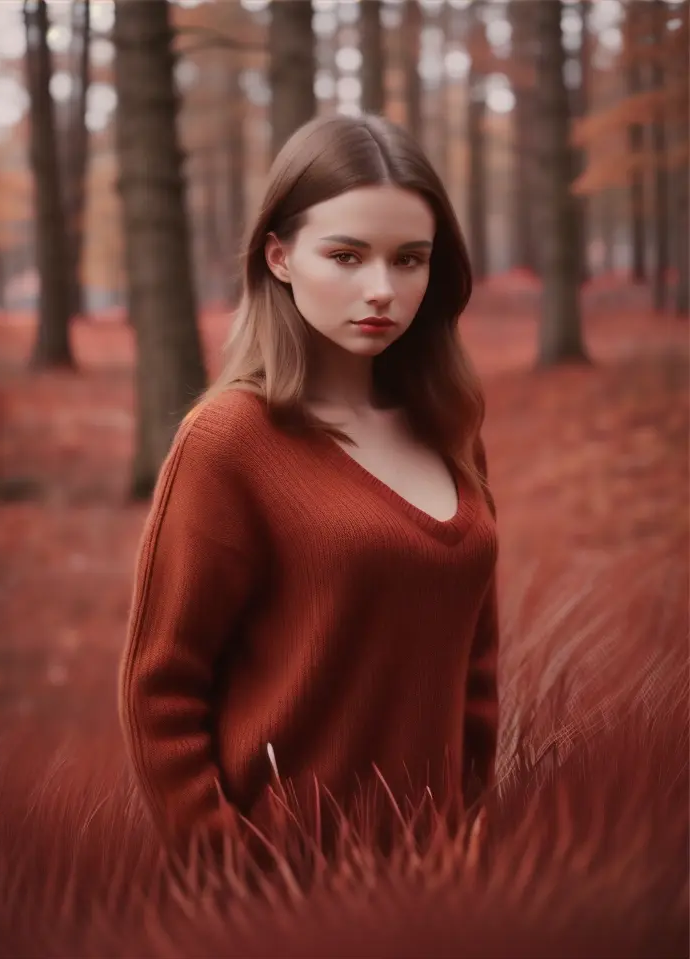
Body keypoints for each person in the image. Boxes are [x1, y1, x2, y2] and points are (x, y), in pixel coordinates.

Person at [118, 113, 499, 865]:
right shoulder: (230, 441)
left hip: (440, 891)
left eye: (410, 259)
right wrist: (234, 878)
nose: (382, 289)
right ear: (280, 256)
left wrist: (475, 828)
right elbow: (160, 691)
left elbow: (476, 664)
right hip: (283, 901)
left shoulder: (449, 427)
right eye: (347, 256)